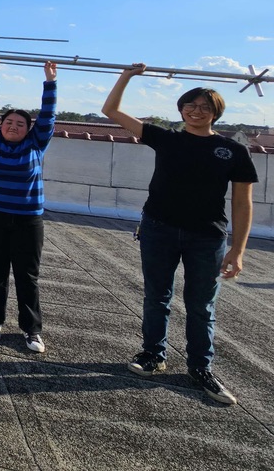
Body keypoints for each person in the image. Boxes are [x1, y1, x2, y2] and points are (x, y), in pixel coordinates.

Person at [103, 65, 256, 404]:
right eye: (191, 105)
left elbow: (243, 204)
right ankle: (153, 354)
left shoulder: (233, 151)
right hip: (159, 228)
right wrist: (127, 76)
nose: (197, 111)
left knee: (201, 305)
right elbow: (110, 111)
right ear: (181, 109)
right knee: (157, 296)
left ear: (215, 112)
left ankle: (200, 367)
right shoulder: (165, 139)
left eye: (205, 107)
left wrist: (239, 249)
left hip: (208, 236)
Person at [0, 57, 57, 353]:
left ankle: (32, 330)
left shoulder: (35, 144)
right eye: (8, 121)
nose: (13, 126)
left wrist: (50, 82)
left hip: (27, 220)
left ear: (28, 129)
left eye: (20, 123)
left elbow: (47, 116)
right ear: (0, 125)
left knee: (27, 274)